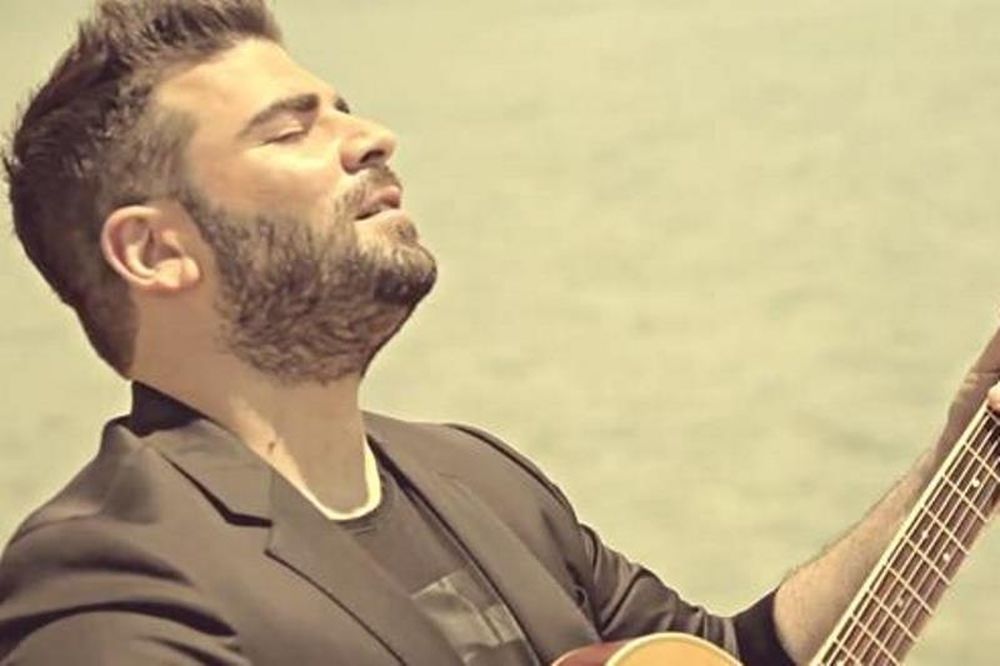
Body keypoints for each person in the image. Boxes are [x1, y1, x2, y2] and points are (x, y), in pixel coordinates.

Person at [0, 1, 994, 664]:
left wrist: (964, 457)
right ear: (156, 251)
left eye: (345, 109)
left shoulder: (480, 479)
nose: (370, 135)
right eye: (292, 129)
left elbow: (731, 659)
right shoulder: (112, 586)